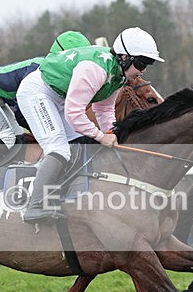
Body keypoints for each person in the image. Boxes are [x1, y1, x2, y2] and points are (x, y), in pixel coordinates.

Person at [16, 26, 164, 223]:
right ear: (123, 57)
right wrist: (101, 137)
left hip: (58, 97)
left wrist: (111, 133)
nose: (142, 70)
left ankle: (60, 195)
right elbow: (74, 113)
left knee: (80, 143)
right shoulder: (96, 70)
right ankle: (35, 206)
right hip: (37, 93)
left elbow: (104, 109)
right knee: (59, 148)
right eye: (140, 63)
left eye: (148, 64)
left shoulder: (118, 75)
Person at [0, 31, 92, 167]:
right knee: (6, 137)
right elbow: (22, 110)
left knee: (18, 139)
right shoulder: (39, 70)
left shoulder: (53, 71)